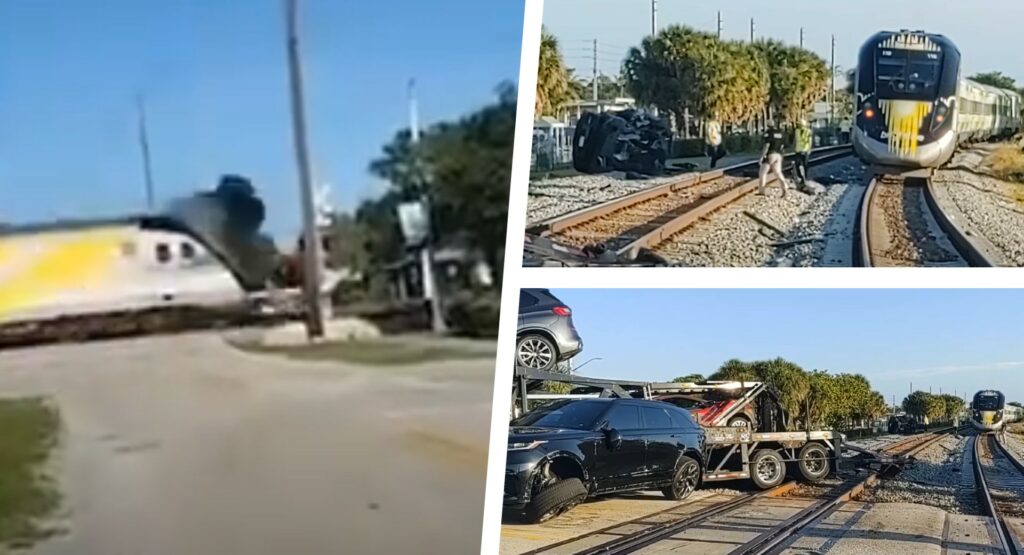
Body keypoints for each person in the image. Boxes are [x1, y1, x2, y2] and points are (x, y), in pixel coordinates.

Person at [758, 120, 791, 197]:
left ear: (768, 125)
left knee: (762, 172)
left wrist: (762, 156)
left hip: (770, 154)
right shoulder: (780, 133)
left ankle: (762, 191)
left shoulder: (768, 133)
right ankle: (785, 187)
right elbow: (784, 145)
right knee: (778, 173)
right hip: (778, 155)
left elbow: (767, 145)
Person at [793, 118, 812, 185]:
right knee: (799, 164)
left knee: (804, 164)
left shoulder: (807, 131)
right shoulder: (797, 131)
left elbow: (809, 140)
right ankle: (802, 177)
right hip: (800, 149)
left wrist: (809, 149)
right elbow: (795, 140)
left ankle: (804, 177)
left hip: (803, 149)